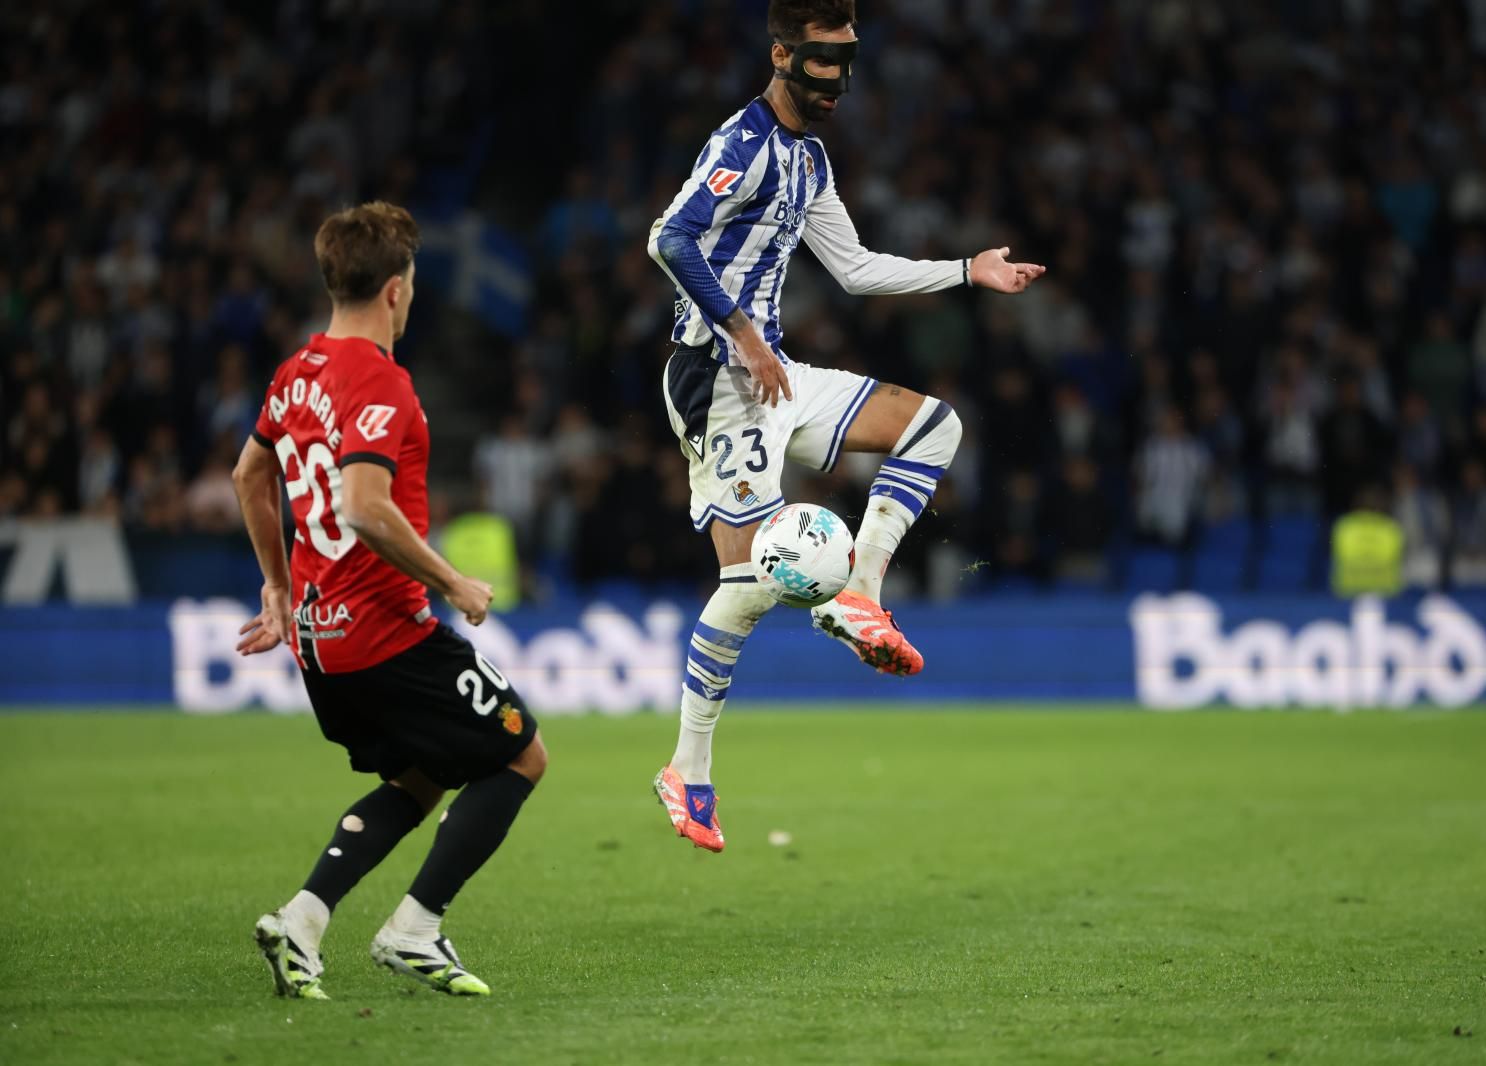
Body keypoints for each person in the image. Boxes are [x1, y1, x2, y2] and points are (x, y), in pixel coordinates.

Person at [644, 0, 1044, 851]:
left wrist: (967, 270)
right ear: (784, 55)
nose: (836, 82)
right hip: (718, 377)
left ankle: (859, 597)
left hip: (776, 374)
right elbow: (669, 240)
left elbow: (856, 270)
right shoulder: (741, 145)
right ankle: (689, 766)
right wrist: (742, 334)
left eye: (846, 63)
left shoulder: (808, 159)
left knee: (934, 426)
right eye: (823, 63)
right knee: (748, 586)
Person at [232, 203, 547, 999]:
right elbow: (365, 506)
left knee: (422, 773)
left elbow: (249, 476)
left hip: (318, 642)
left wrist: (277, 587)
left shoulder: (295, 373)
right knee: (519, 754)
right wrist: (455, 583)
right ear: (398, 291)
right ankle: (415, 929)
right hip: (385, 633)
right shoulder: (379, 381)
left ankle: (301, 920)